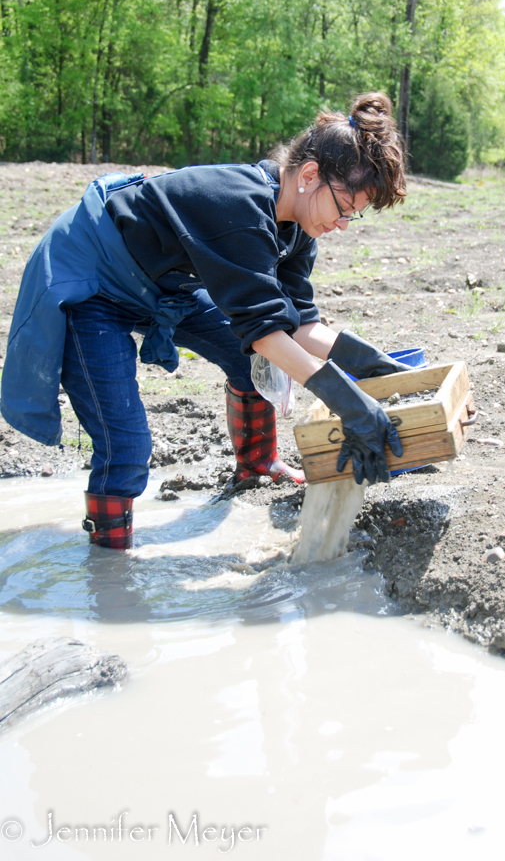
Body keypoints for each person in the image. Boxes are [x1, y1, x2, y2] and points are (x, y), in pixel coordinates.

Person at [1, 93, 410, 549]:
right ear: (310, 175)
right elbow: (266, 334)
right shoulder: (239, 207)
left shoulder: (296, 226)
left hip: (161, 283)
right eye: (345, 207)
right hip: (95, 282)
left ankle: (257, 466)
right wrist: (349, 401)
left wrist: (369, 362)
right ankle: (109, 565)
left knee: (252, 366)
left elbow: (297, 323)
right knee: (126, 447)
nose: (345, 224)